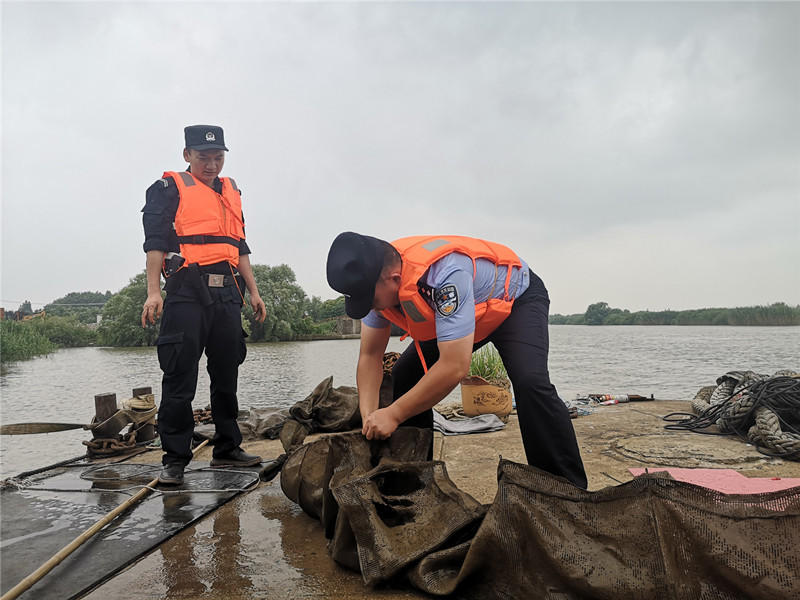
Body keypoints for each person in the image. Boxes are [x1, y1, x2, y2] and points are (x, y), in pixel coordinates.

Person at [326, 232, 587, 489]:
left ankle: (567, 489)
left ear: (395, 279)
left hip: (514, 302)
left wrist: (393, 415)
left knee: (531, 382)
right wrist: (369, 415)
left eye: (371, 301)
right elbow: (370, 356)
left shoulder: (444, 275)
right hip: (463, 318)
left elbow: (455, 366)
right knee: (405, 374)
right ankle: (415, 482)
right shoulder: (375, 284)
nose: (371, 309)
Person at [141, 125, 266, 485]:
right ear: (187, 156)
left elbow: (239, 246)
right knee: (180, 376)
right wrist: (154, 291)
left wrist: (253, 292)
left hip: (228, 292)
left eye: (217, 157)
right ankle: (175, 458)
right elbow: (155, 244)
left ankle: (228, 446)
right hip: (186, 292)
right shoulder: (168, 189)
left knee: (227, 372)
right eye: (203, 157)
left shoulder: (232, 192)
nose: (211, 165)